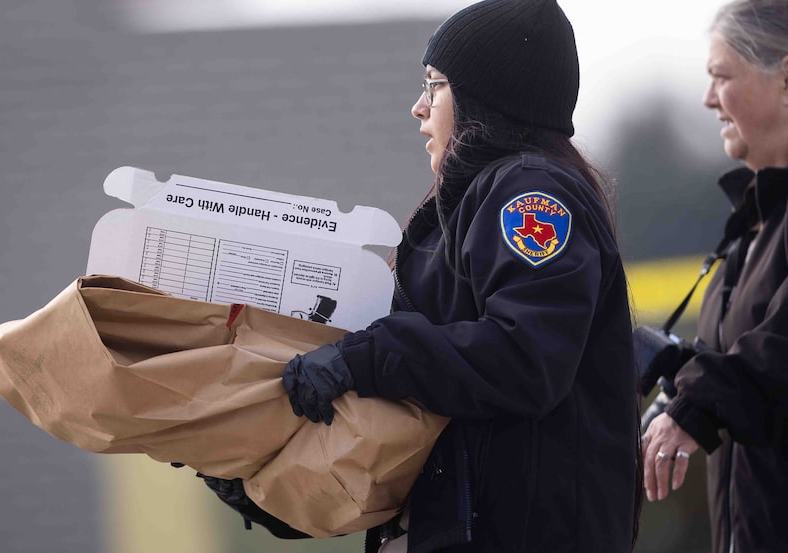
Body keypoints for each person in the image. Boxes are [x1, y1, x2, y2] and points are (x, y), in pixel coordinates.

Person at [280, 1, 641, 552]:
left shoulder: (529, 196)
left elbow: (525, 359)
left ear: (484, 98)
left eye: (434, 85)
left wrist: (366, 358)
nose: (418, 108)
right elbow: (433, 392)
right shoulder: (481, 195)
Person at [640, 1, 788, 552]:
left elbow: (776, 351)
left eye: (721, 77)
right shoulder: (755, 223)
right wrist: (675, 377)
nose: (708, 99)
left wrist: (694, 407)